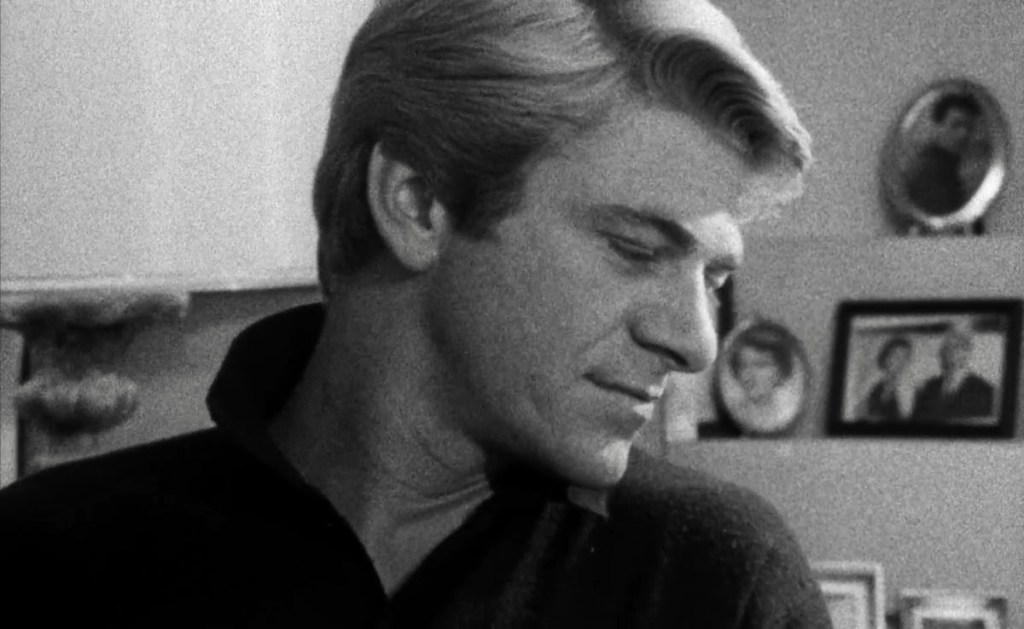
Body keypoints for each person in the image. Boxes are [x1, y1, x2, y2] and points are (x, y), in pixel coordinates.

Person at [0, 1, 829, 627]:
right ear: (418, 202)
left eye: (713, 276)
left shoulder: (712, 578)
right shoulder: (51, 553)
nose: (696, 342)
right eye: (635, 248)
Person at [719, 321, 807, 434]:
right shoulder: (738, 411)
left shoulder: (784, 413)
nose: (749, 374)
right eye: (743, 365)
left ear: (780, 370)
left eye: (761, 365)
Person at [903, 94, 985, 216]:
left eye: (969, 127)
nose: (963, 134)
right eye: (956, 125)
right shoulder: (929, 170)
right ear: (937, 127)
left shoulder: (947, 168)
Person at [913, 328, 996, 422]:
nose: (949, 354)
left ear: (966, 354)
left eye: (956, 348)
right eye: (946, 349)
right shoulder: (928, 387)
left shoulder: (983, 389)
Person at [855, 336, 914, 421]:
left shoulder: (907, 387)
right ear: (887, 356)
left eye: (905, 358)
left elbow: (906, 415)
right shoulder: (871, 380)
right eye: (897, 356)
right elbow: (857, 410)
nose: (901, 362)